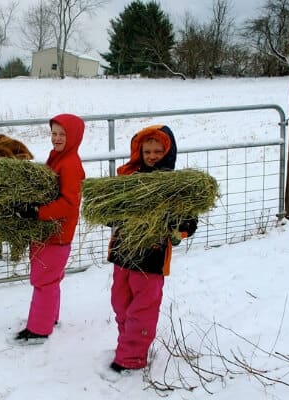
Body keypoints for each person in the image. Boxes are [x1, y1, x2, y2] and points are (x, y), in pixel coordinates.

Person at [107, 125, 197, 372]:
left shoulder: (174, 187)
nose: (152, 156)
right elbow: (110, 212)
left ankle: (132, 358)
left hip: (150, 259)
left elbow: (188, 221)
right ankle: (126, 345)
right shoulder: (130, 180)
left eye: (158, 151)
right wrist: (110, 215)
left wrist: (179, 228)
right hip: (123, 255)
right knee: (120, 304)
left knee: (142, 309)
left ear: (168, 153)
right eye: (147, 151)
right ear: (139, 152)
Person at [13, 113, 86, 343]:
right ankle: (49, 317)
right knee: (49, 278)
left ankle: (39, 329)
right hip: (48, 230)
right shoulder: (57, 157)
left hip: (57, 232)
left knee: (43, 280)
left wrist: (37, 212)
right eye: (54, 133)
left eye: (62, 134)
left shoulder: (70, 164)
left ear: (73, 136)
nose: (56, 138)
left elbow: (69, 203)